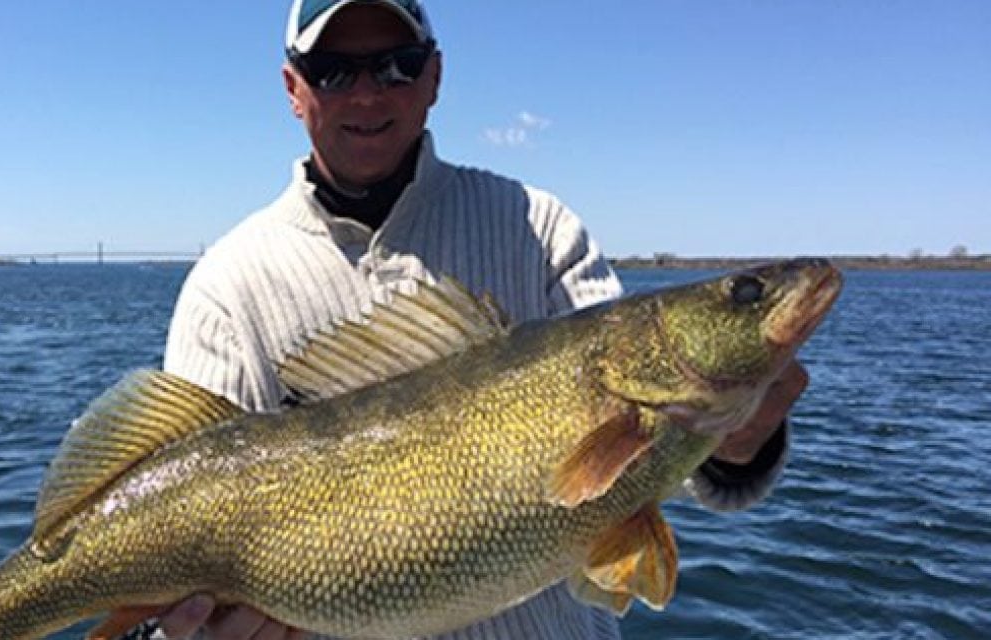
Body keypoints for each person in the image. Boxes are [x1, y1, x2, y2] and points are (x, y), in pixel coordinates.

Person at [89, 1, 807, 638]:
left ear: (434, 78)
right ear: (292, 88)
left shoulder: (539, 229)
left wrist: (740, 443)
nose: (369, 91)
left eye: (397, 65)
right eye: (335, 70)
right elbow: (175, 540)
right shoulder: (227, 286)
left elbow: (646, 471)